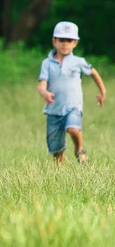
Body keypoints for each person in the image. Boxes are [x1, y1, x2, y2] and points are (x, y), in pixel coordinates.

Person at [37, 21, 106, 164]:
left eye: (69, 40)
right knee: (56, 150)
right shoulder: (47, 63)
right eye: (61, 40)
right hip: (54, 109)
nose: (65, 44)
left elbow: (93, 73)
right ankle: (60, 173)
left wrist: (102, 91)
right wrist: (45, 93)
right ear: (54, 41)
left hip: (73, 106)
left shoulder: (78, 62)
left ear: (75, 43)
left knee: (73, 129)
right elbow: (41, 85)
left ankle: (79, 149)